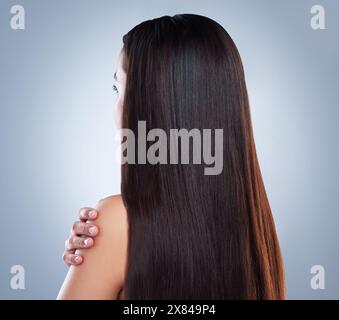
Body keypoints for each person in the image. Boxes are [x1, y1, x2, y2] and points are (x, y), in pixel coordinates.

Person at [58, 14, 286, 300]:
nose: (116, 107)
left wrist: (101, 253)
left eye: (121, 88)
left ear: (151, 103)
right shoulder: (257, 232)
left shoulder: (119, 222)